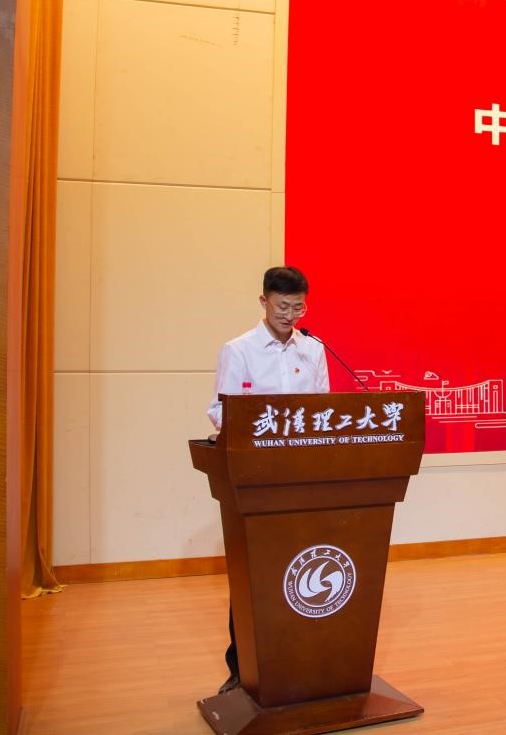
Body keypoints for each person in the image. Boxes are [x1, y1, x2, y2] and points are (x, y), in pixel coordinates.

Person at [207, 265, 329, 694]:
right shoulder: (239, 349)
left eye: (298, 307)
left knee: (302, 569)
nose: (290, 315)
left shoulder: (313, 349)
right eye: (282, 306)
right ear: (264, 301)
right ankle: (242, 669)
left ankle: (301, 660)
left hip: (304, 475)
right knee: (254, 573)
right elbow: (220, 411)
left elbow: (324, 410)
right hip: (256, 476)